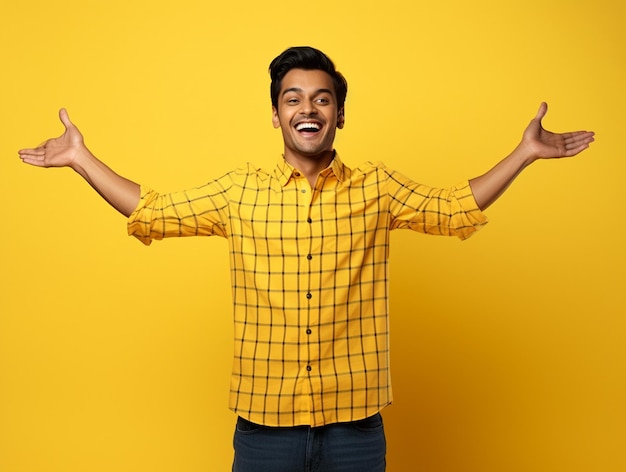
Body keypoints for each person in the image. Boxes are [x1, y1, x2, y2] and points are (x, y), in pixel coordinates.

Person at [18, 46, 594, 472]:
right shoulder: (238, 191)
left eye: (323, 98)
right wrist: (81, 158)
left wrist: (523, 155)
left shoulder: (377, 187)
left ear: (339, 114)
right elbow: (153, 210)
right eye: (292, 98)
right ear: (276, 115)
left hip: (356, 430)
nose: (307, 107)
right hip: (265, 429)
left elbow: (453, 208)